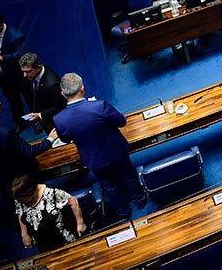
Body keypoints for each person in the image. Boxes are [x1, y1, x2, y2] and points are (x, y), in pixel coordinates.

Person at [53, 73, 147, 219]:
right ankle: (140, 201)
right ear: (82, 88)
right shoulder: (99, 106)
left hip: (93, 158)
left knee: (108, 185)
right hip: (116, 151)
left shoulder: (59, 119)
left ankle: (123, 211)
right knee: (128, 175)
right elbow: (121, 121)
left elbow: (65, 139)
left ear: (62, 94)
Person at [12, 175, 86, 251]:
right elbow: (20, 212)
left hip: (64, 241)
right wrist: (24, 234)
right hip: (43, 245)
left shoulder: (52, 193)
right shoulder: (19, 199)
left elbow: (73, 201)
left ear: (31, 193)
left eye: (23, 200)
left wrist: (80, 223)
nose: (21, 202)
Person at [18, 52, 65, 133]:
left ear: (39, 68)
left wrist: (40, 115)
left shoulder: (53, 84)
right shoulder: (34, 74)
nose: (24, 75)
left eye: (28, 71)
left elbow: (61, 106)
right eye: (23, 71)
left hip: (54, 125)